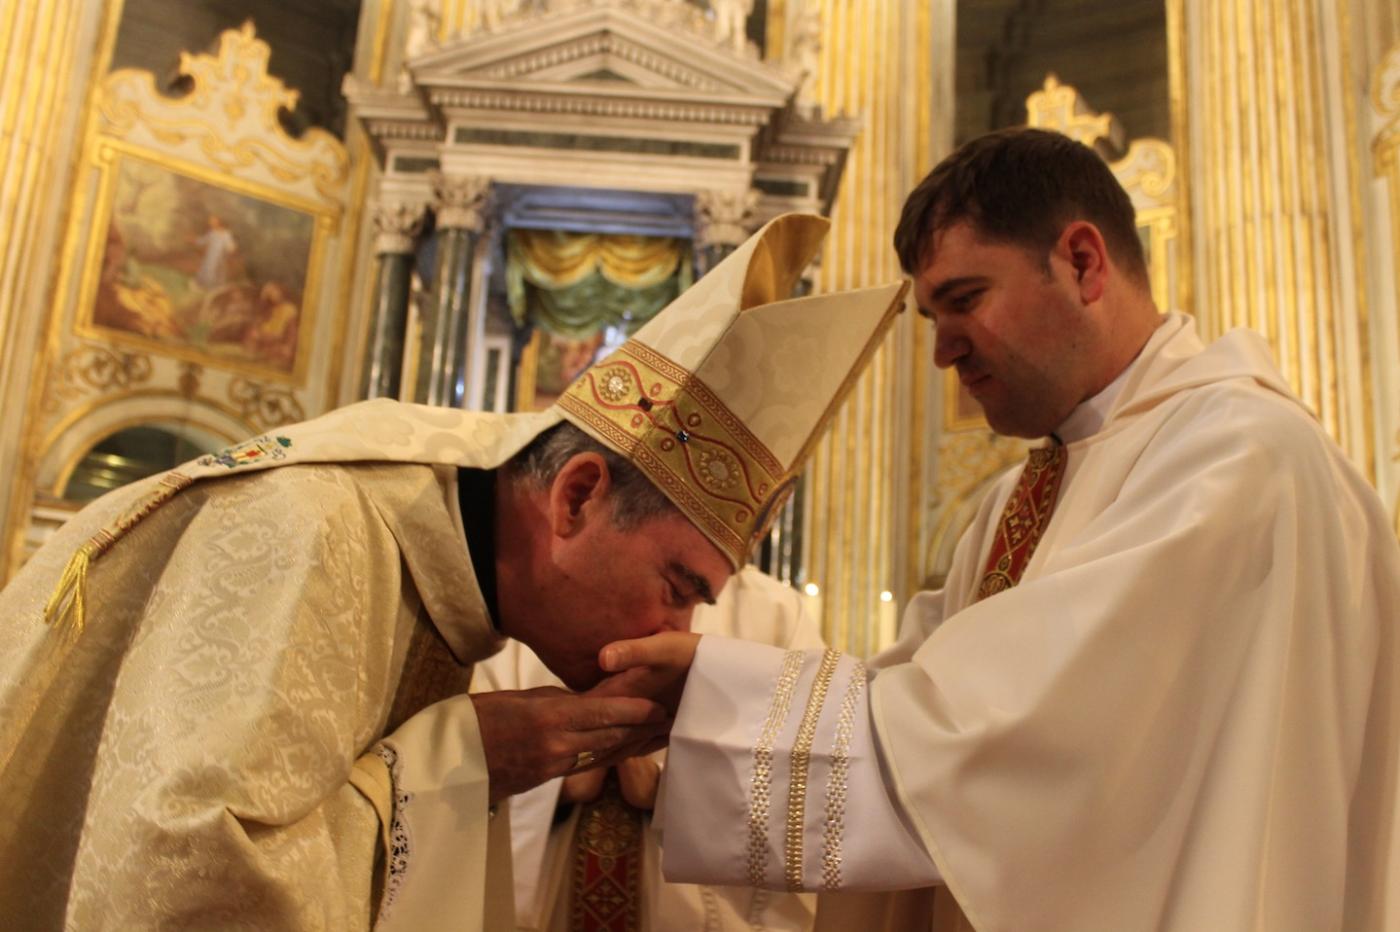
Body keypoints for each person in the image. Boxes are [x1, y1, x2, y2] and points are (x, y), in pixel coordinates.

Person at [0, 213, 908, 931]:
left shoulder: (435, 571)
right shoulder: (314, 527)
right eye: (678, 588)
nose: (677, 635)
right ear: (578, 496)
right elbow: (189, 882)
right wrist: (466, 758)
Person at [599, 128, 1400, 932]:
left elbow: (1021, 741)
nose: (943, 350)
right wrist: (706, 717)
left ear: (1083, 263)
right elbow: (919, 701)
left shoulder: (1237, 459)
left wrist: (722, 701)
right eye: (930, 315)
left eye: (965, 299)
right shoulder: (1023, 491)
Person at [472, 565, 825, 932]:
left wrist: (666, 793)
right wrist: (553, 783)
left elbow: (810, 802)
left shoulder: (774, 613)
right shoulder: (541, 586)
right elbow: (466, 753)